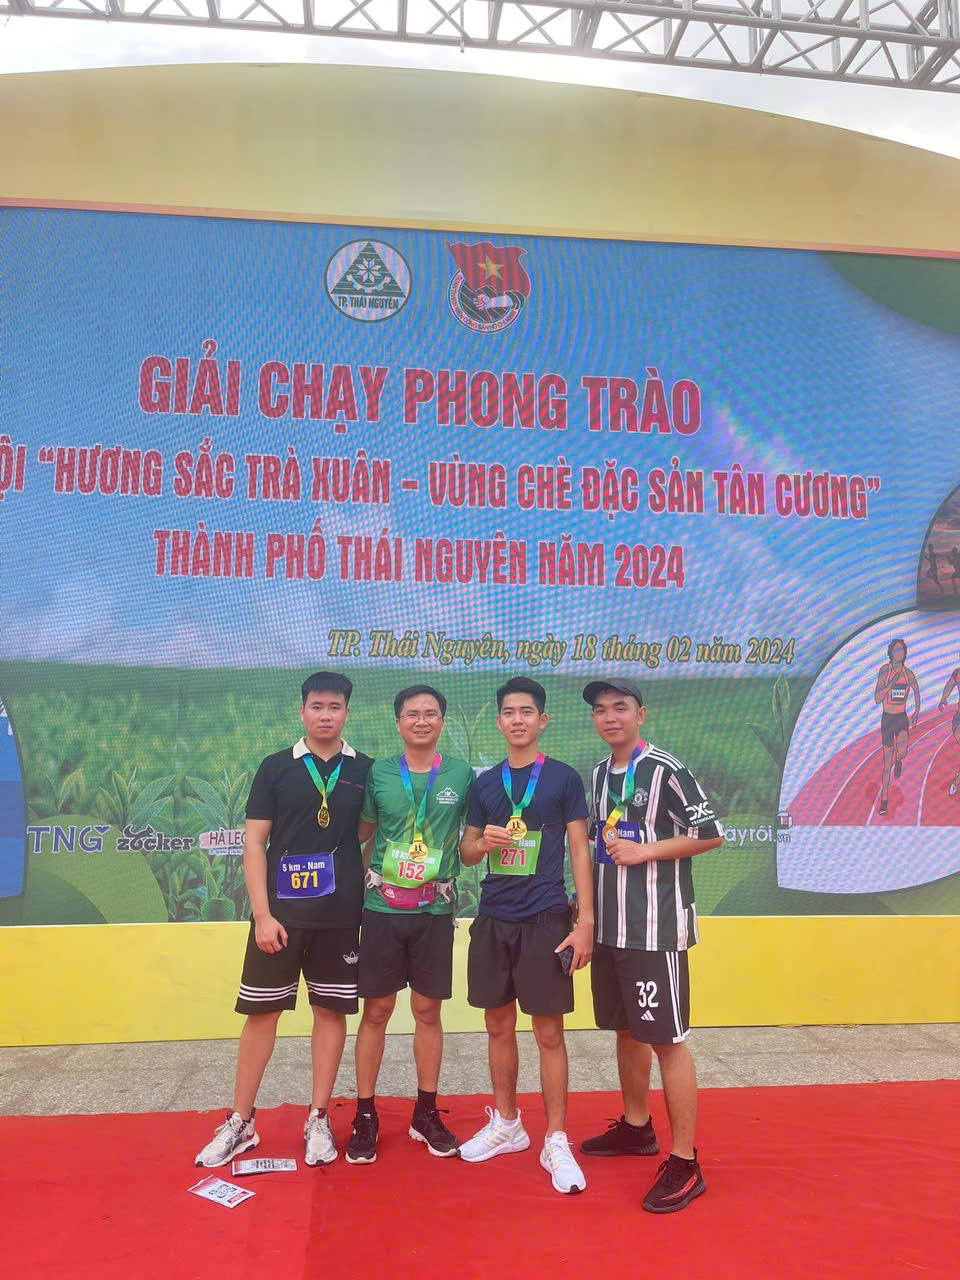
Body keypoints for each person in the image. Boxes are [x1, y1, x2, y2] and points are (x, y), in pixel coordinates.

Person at [195, 672, 372, 1169]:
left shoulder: (365, 770)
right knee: (261, 1014)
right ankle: (240, 1121)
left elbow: (366, 831)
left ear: (346, 713)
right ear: (302, 712)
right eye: (316, 706)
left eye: (334, 707)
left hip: (338, 917)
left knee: (330, 1012)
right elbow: (254, 842)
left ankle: (318, 1117)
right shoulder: (276, 767)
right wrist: (262, 914)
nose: (325, 715)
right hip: (279, 917)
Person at [578, 678, 724, 1214]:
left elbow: (711, 833)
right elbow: (598, 843)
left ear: (641, 714)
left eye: (620, 707)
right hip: (610, 929)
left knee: (667, 1040)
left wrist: (649, 852)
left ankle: (686, 1162)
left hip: (655, 930)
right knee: (626, 1030)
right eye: (601, 710)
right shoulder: (599, 774)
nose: (610, 717)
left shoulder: (665, 770)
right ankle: (637, 1126)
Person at [458, 677, 594, 1195]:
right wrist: (483, 844)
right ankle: (508, 1125)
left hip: (545, 919)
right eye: (510, 713)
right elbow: (467, 851)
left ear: (543, 720)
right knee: (497, 1025)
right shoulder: (485, 784)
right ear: (499, 722)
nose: (518, 720)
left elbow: (579, 850)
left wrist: (585, 922)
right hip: (494, 918)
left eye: (527, 712)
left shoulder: (562, 778)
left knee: (549, 1033)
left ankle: (555, 1138)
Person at [347, 685, 473, 1164]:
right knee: (376, 1011)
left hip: (434, 912)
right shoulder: (380, 772)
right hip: (382, 911)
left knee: (427, 1012)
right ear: (398, 722)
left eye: (431, 714)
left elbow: (470, 840)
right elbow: (361, 835)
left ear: (442, 722)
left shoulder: (460, 774)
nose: (422, 721)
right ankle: (365, 1115)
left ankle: (426, 1112)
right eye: (412, 714)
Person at [874, 638, 920, 817]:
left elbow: (916, 690)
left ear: (905, 653)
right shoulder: (885, 671)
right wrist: (890, 683)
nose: (899, 653)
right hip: (887, 719)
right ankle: (884, 799)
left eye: (902, 650)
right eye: (896, 650)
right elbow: (877, 698)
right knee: (887, 765)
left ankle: (899, 760)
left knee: (902, 752)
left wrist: (916, 710)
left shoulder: (908, 674)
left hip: (901, 718)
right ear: (891, 653)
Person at [937, 655, 960, 797]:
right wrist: (943, 698)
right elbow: (949, 685)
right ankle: (957, 781)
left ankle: (957, 779)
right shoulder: (957, 673)